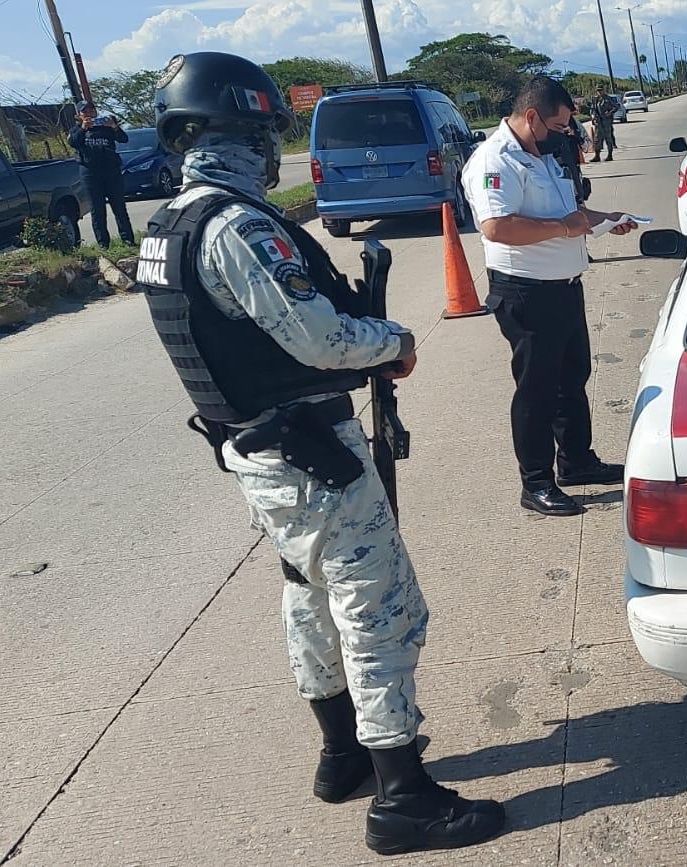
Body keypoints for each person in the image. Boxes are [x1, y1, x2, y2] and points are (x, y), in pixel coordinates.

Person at [138, 51, 505, 855]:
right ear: (239, 130)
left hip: (257, 454)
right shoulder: (235, 225)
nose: (274, 149)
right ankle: (403, 797)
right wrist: (394, 342)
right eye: (267, 130)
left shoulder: (168, 226)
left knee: (308, 599)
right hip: (306, 454)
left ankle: (343, 755)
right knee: (380, 610)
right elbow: (320, 337)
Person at [461, 75, 637, 517]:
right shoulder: (493, 161)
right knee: (537, 391)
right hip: (526, 294)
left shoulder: (541, 155)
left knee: (571, 379)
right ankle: (535, 482)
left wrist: (605, 219)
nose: (563, 135)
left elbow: (568, 215)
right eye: (557, 127)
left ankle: (577, 461)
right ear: (532, 116)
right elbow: (497, 228)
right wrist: (565, 229)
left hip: (564, 288)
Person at [68, 102, 135, 247]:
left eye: (92, 110)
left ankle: (128, 240)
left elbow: (123, 139)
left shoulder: (106, 126)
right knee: (97, 209)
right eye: (85, 111)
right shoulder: (76, 129)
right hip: (90, 173)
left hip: (111, 171)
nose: (89, 113)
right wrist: (83, 128)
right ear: (79, 115)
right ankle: (103, 244)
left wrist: (114, 127)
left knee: (119, 207)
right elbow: (73, 142)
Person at [592, 90, 618, 161]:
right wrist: (593, 116)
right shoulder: (595, 99)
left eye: (601, 90)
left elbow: (616, 107)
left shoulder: (608, 98)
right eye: (598, 90)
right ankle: (597, 156)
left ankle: (610, 155)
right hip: (598, 122)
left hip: (606, 121)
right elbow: (593, 109)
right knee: (597, 139)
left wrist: (610, 112)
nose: (600, 92)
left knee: (608, 138)